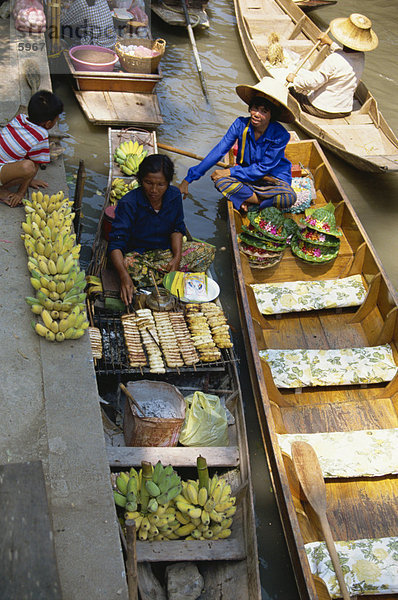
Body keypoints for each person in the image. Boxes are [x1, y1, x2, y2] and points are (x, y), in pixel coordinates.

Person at [108, 154, 215, 305]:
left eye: (161, 185)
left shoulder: (174, 196)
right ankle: (171, 278)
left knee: (207, 251)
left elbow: (177, 228)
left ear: (168, 183)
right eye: (148, 182)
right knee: (127, 265)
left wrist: (176, 257)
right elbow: (115, 244)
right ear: (140, 180)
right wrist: (124, 276)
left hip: (166, 253)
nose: (154, 190)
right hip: (140, 255)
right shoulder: (129, 203)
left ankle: (162, 276)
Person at [179, 77, 297, 213]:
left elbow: (263, 168)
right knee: (220, 181)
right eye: (255, 108)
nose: (256, 114)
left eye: (264, 111)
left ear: (272, 115)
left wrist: (229, 171)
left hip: (271, 179)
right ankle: (258, 201)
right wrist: (188, 179)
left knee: (289, 198)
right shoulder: (240, 124)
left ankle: (252, 201)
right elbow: (218, 151)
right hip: (246, 175)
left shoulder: (281, 135)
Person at [286, 13, 378, 119]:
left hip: (321, 109)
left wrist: (294, 80)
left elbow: (314, 83)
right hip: (345, 110)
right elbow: (345, 56)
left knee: (292, 90)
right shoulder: (361, 57)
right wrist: (330, 43)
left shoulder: (334, 59)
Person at [0, 90, 64, 207]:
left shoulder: (20, 118)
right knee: (30, 167)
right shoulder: (41, 134)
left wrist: (28, 180)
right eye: (57, 118)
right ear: (49, 123)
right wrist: (20, 193)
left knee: (27, 162)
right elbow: (36, 164)